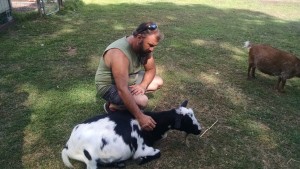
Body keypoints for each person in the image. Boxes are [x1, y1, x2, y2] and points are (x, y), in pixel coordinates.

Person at [95, 22, 164, 131]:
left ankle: (126, 103)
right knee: (142, 101)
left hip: (130, 78)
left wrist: (142, 86)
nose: (152, 49)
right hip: (110, 86)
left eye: (154, 46)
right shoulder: (119, 53)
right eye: (150, 45)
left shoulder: (144, 47)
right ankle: (112, 106)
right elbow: (122, 89)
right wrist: (140, 117)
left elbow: (151, 69)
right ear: (139, 37)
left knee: (158, 82)